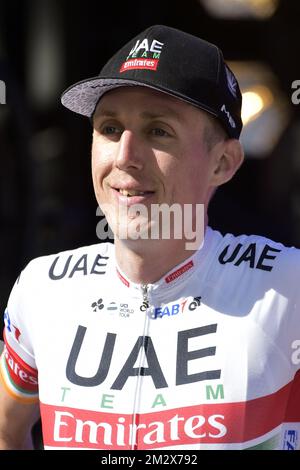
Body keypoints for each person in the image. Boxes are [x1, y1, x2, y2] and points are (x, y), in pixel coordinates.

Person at [0, 24, 299, 451]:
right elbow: (6, 431)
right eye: (108, 128)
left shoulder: (286, 285)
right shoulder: (43, 288)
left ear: (224, 163)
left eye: (158, 131)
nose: (124, 156)